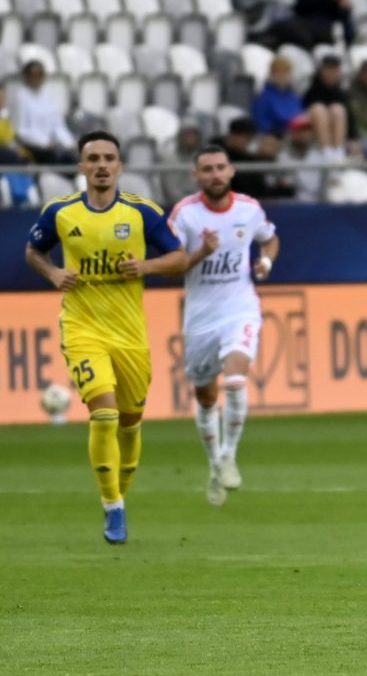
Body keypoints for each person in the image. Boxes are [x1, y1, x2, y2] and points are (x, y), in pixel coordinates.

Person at [24, 130, 187, 543]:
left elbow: (180, 257)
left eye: (108, 158)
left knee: (130, 426)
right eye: (92, 158)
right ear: (81, 167)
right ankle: (112, 507)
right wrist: (54, 273)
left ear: (120, 166)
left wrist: (146, 268)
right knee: (105, 414)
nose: (101, 165)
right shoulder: (60, 212)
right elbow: (34, 251)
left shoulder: (142, 213)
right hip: (82, 327)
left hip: (130, 334)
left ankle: (120, 496)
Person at [168, 145, 280, 506]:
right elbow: (168, 263)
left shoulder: (249, 209)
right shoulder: (185, 215)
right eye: (207, 169)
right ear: (196, 176)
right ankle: (214, 462)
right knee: (205, 395)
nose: (215, 174)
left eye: (220, 167)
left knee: (234, 380)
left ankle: (229, 455)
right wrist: (200, 253)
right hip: (200, 318)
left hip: (240, 308)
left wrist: (266, 261)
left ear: (231, 171)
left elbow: (270, 238)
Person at [11, 60, 76, 165]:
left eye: (40, 75)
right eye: (32, 75)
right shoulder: (20, 97)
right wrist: (44, 143)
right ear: (26, 76)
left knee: (74, 159)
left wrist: (70, 143)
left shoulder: (47, 96)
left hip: (51, 147)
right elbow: (20, 131)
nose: (36, 78)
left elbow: (58, 126)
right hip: (33, 147)